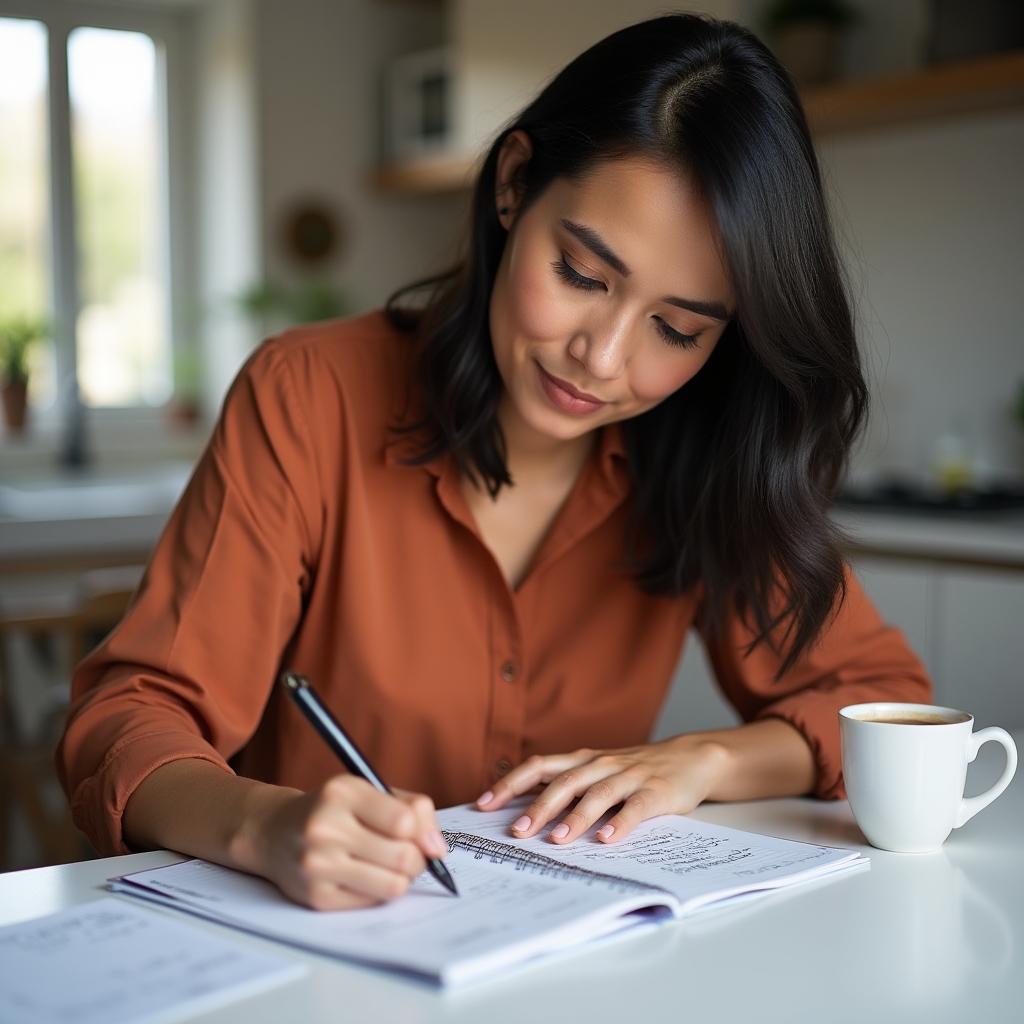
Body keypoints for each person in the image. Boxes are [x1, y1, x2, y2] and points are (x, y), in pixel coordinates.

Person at [57, 14, 930, 911]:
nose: (603, 357)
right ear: (515, 184)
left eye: (677, 328)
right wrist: (264, 826)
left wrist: (704, 759)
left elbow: (881, 703)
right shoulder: (309, 395)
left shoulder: (707, 452)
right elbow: (126, 721)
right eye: (583, 275)